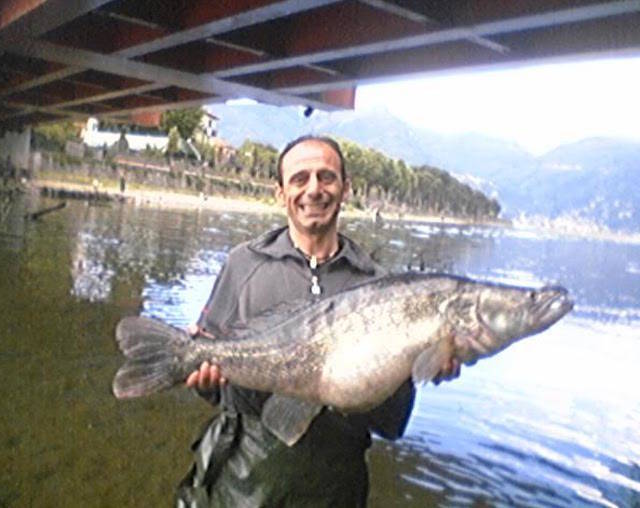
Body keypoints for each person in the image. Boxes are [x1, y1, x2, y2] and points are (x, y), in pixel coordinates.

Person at [176, 135, 460, 507]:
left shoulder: (380, 286)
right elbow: (216, 389)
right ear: (280, 192)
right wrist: (203, 382)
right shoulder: (242, 264)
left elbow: (390, 424)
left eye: (326, 177)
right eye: (299, 179)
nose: (314, 190)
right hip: (244, 484)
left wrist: (423, 366)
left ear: (345, 189)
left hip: (336, 487)